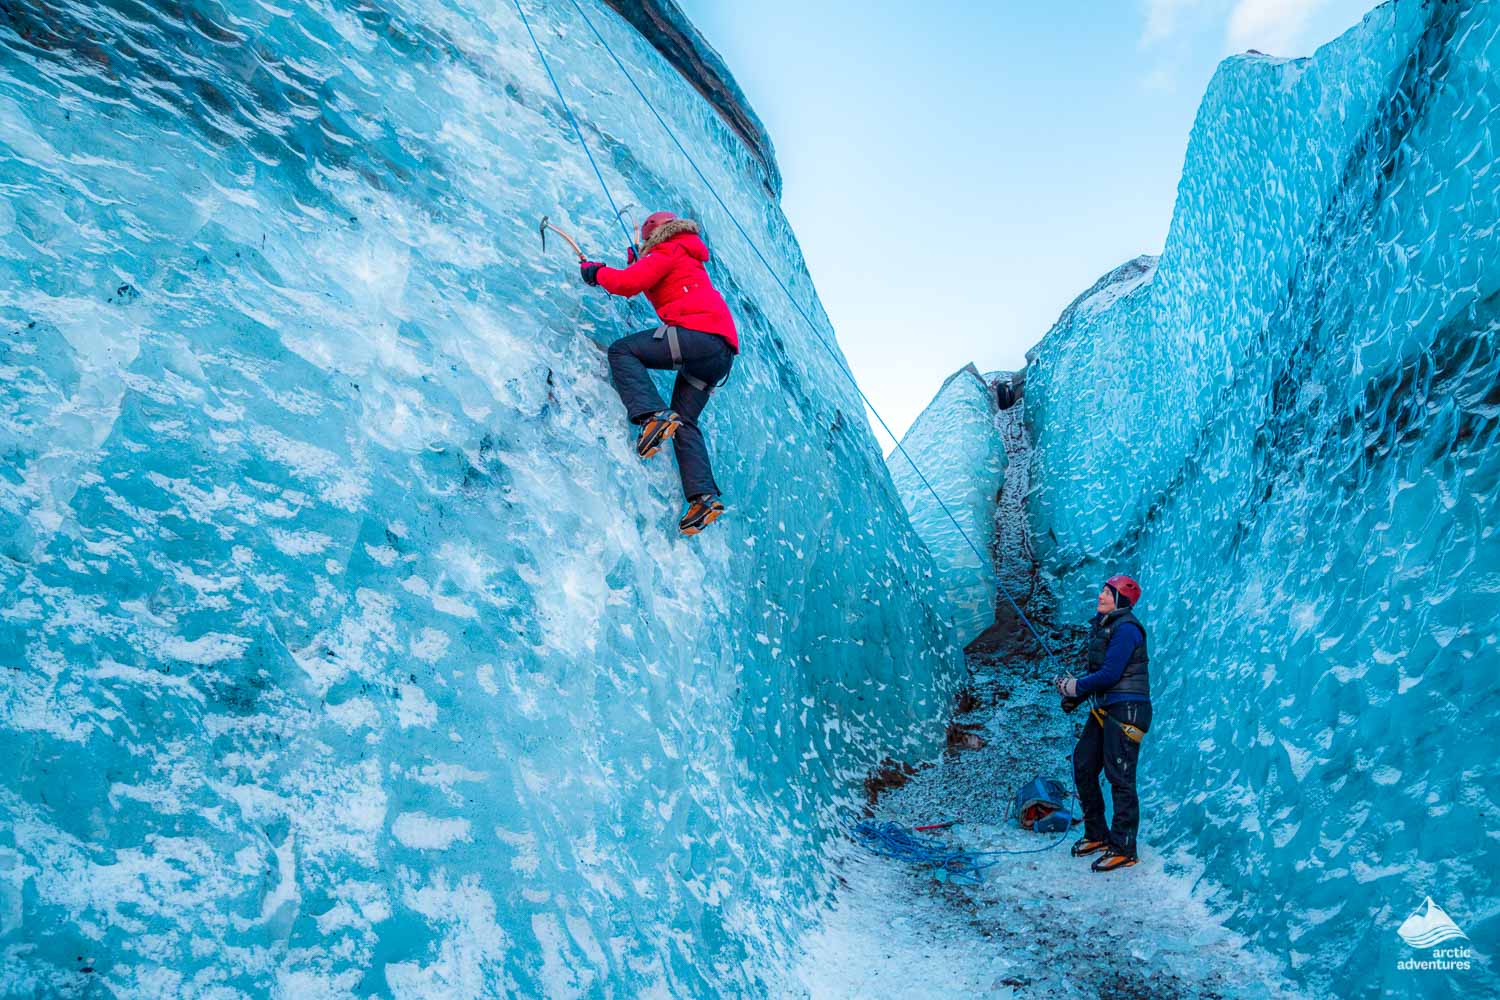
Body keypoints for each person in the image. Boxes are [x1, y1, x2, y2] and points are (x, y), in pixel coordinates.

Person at [580, 211, 739, 536]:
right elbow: (651, 280)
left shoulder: (669, 250)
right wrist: (636, 259)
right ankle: (703, 499)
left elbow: (628, 284)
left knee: (622, 351)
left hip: (699, 337)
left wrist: (596, 272)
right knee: (686, 421)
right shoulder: (685, 254)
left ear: (655, 235)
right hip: (719, 355)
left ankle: (652, 415)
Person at [1053, 574, 1151, 872]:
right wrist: (1078, 696)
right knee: (1083, 765)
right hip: (1107, 709)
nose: (1101, 596)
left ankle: (1124, 847)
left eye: (1107, 592)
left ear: (1121, 600)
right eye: (1102, 591)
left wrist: (1076, 687)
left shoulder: (1127, 629)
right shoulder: (1107, 627)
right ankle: (1096, 833)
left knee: (1119, 776)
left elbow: (1110, 674)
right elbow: (1104, 677)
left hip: (1127, 711)